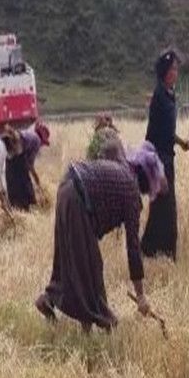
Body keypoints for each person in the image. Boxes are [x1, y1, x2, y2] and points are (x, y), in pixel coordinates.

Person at [35, 141, 166, 333]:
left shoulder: (122, 170)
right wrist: (141, 296)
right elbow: (133, 247)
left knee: (68, 258)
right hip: (78, 198)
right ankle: (104, 321)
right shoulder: (131, 192)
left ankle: (48, 299)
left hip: (66, 188)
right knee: (91, 266)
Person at [141, 50, 189, 261]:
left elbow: (167, 131)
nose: (176, 73)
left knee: (161, 207)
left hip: (166, 157)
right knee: (166, 208)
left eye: (177, 69)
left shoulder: (168, 94)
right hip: (159, 159)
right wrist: (157, 166)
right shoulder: (160, 97)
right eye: (173, 69)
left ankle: (150, 251)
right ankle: (164, 254)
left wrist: (181, 143)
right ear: (164, 71)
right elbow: (156, 133)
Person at [6, 121, 51, 210]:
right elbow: (30, 165)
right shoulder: (37, 141)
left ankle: (15, 208)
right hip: (17, 153)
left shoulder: (29, 134)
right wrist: (37, 181)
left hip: (10, 156)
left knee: (12, 184)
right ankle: (30, 206)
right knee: (26, 185)